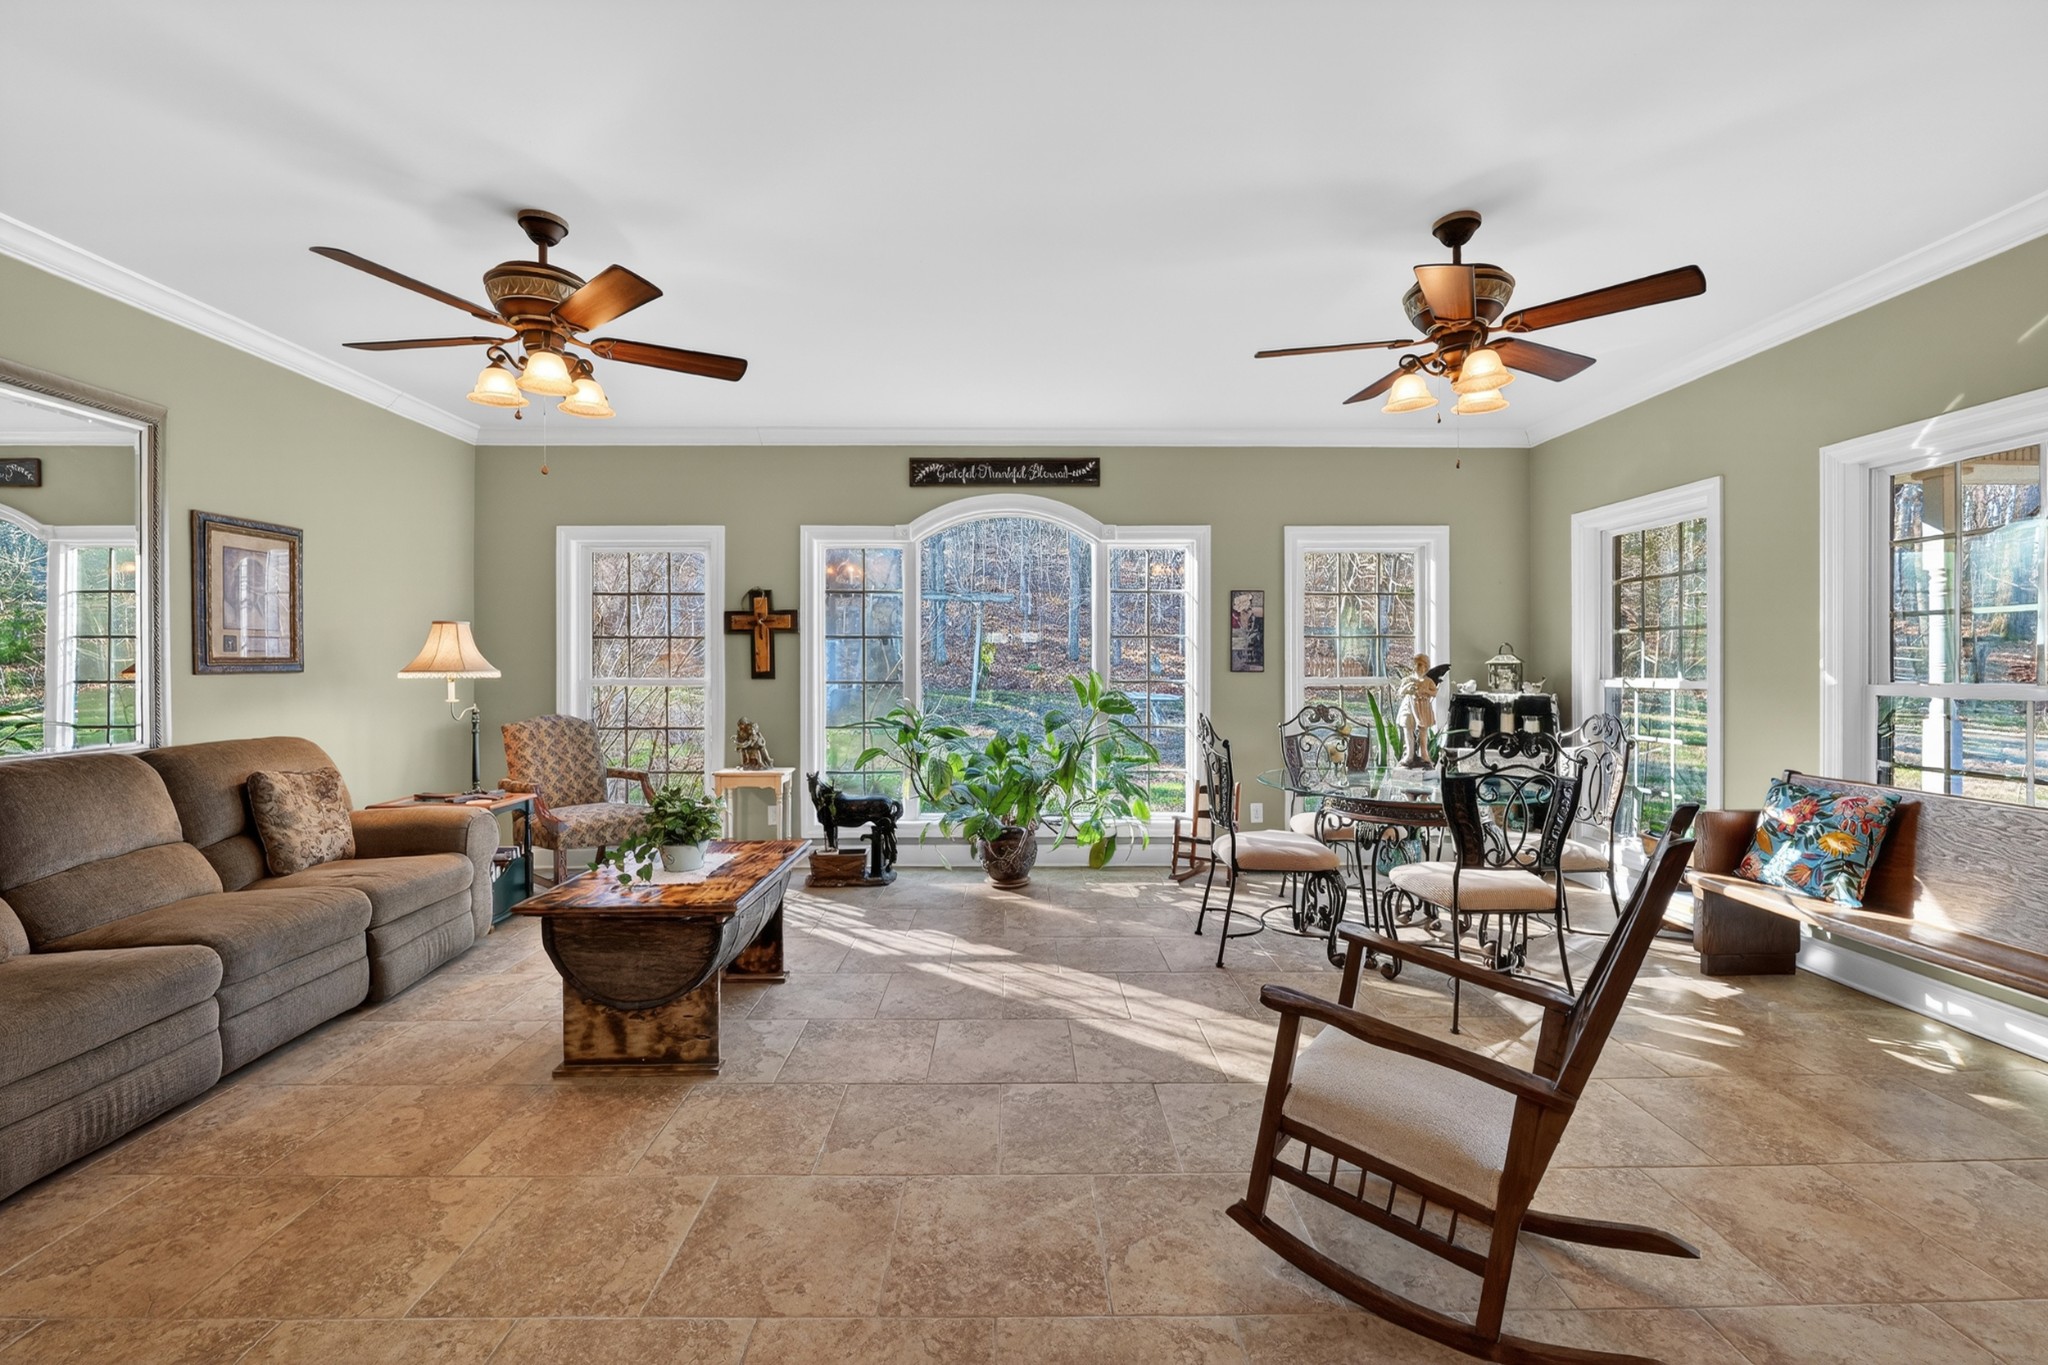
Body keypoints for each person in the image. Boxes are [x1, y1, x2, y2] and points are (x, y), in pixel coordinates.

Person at [1394, 653, 1442, 768]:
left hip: (1422, 706)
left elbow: (1435, 692)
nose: (1422, 668)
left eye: (1425, 666)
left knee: (1423, 730)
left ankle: (1424, 754)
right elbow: (1400, 692)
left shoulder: (1428, 681)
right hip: (1409, 706)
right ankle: (1409, 754)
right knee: (1407, 727)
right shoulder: (1408, 679)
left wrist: (1426, 691)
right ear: (1414, 665)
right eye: (1419, 665)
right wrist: (1408, 688)